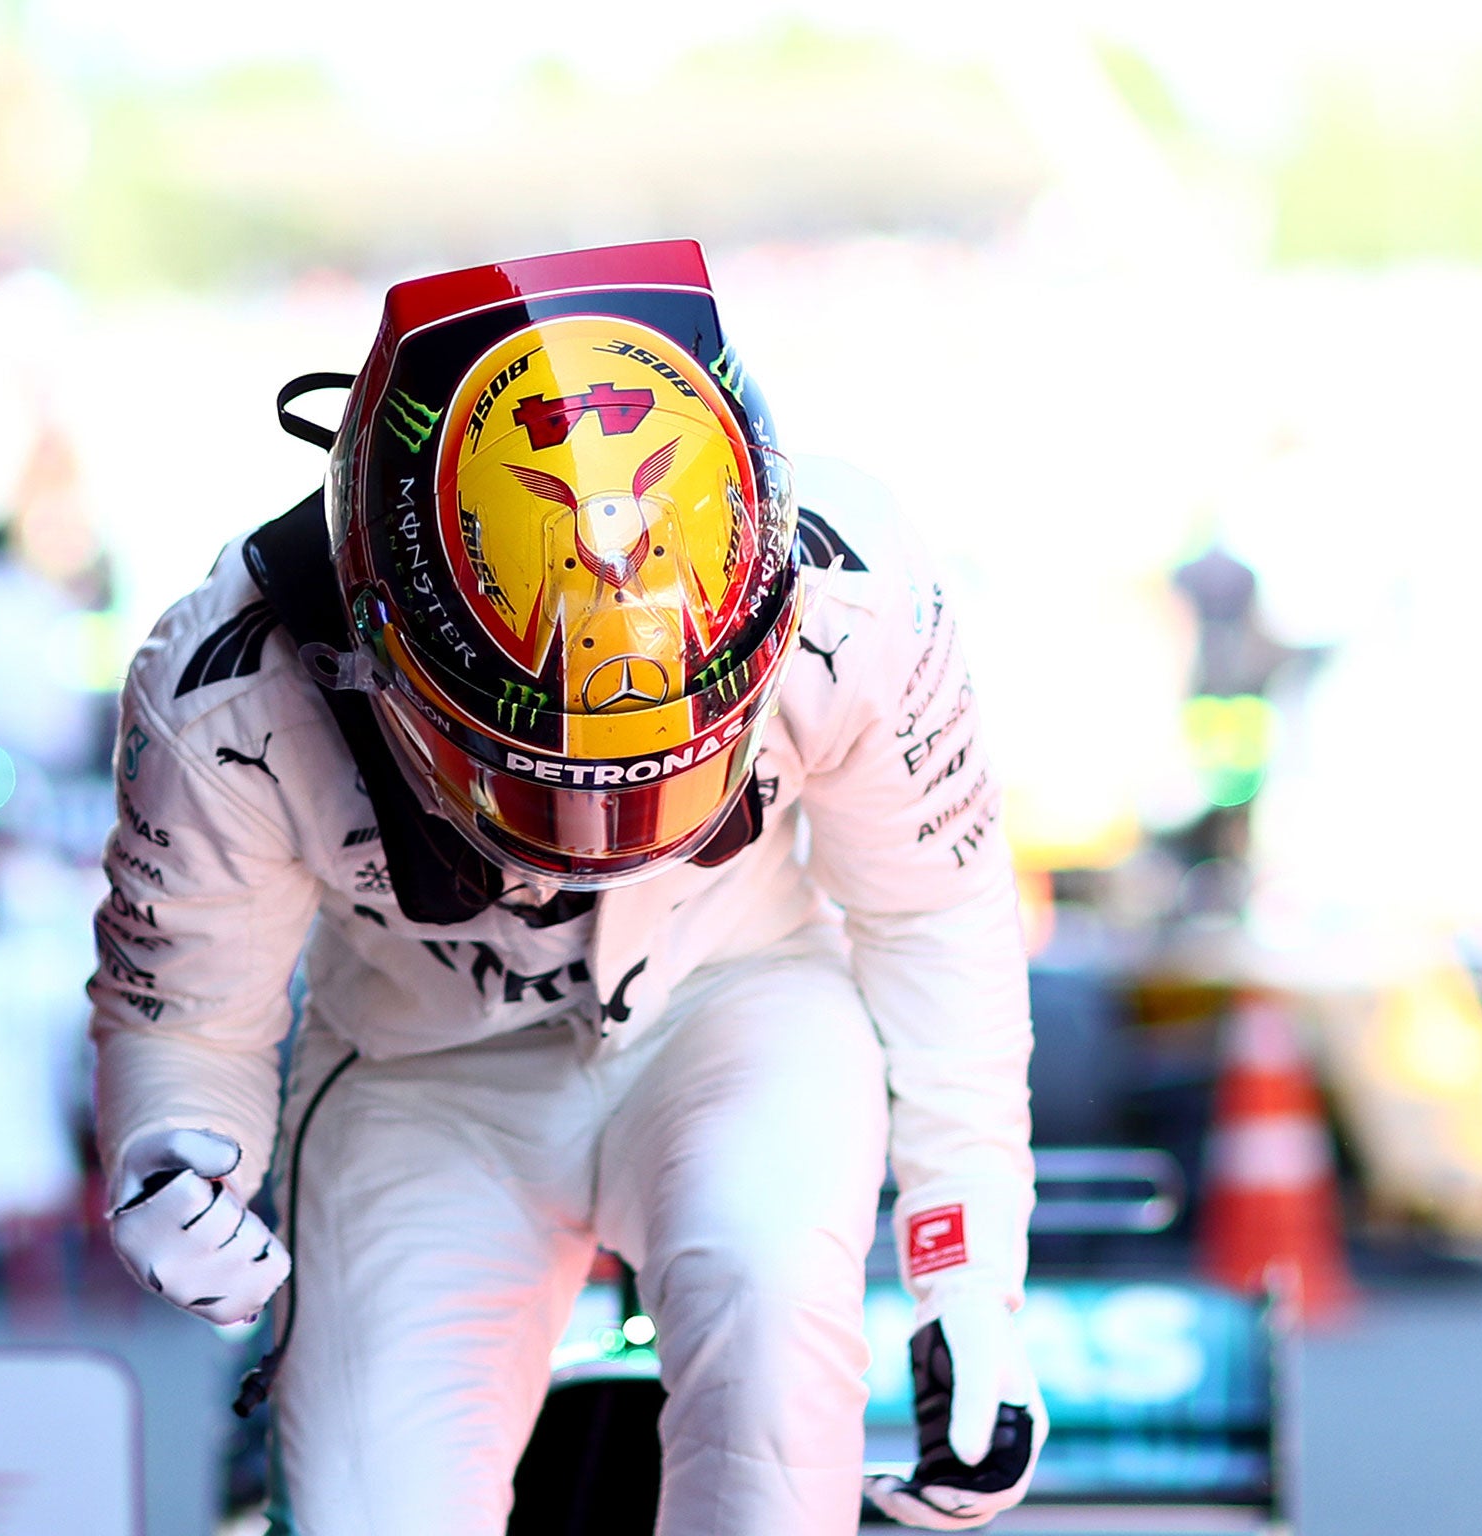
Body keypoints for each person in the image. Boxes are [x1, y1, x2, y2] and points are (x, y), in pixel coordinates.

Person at [88, 240, 1045, 1534]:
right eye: (550, 780)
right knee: (370, 1506)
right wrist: (174, 1154)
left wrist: (969, 1273)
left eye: (656, 776)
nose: (606, 832)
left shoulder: (858, 596)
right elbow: (184, 1013)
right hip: (419, 1074)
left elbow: (932, 916)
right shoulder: (225, 691)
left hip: (736, 1009)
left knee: (774, 1326)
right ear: (377, 638)